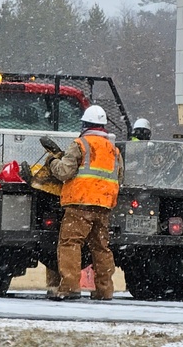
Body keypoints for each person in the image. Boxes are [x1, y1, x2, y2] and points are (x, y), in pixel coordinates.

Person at [46, 105, 124, 301]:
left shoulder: (80, 144)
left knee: (70, 243)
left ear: (85, 124)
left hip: (80, 204)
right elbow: (119, 178)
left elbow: (64, 172)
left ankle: (70, 288)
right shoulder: (114, 150)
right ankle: (104, 290)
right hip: (104, 206)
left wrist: (52, 162)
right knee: (101, 247)